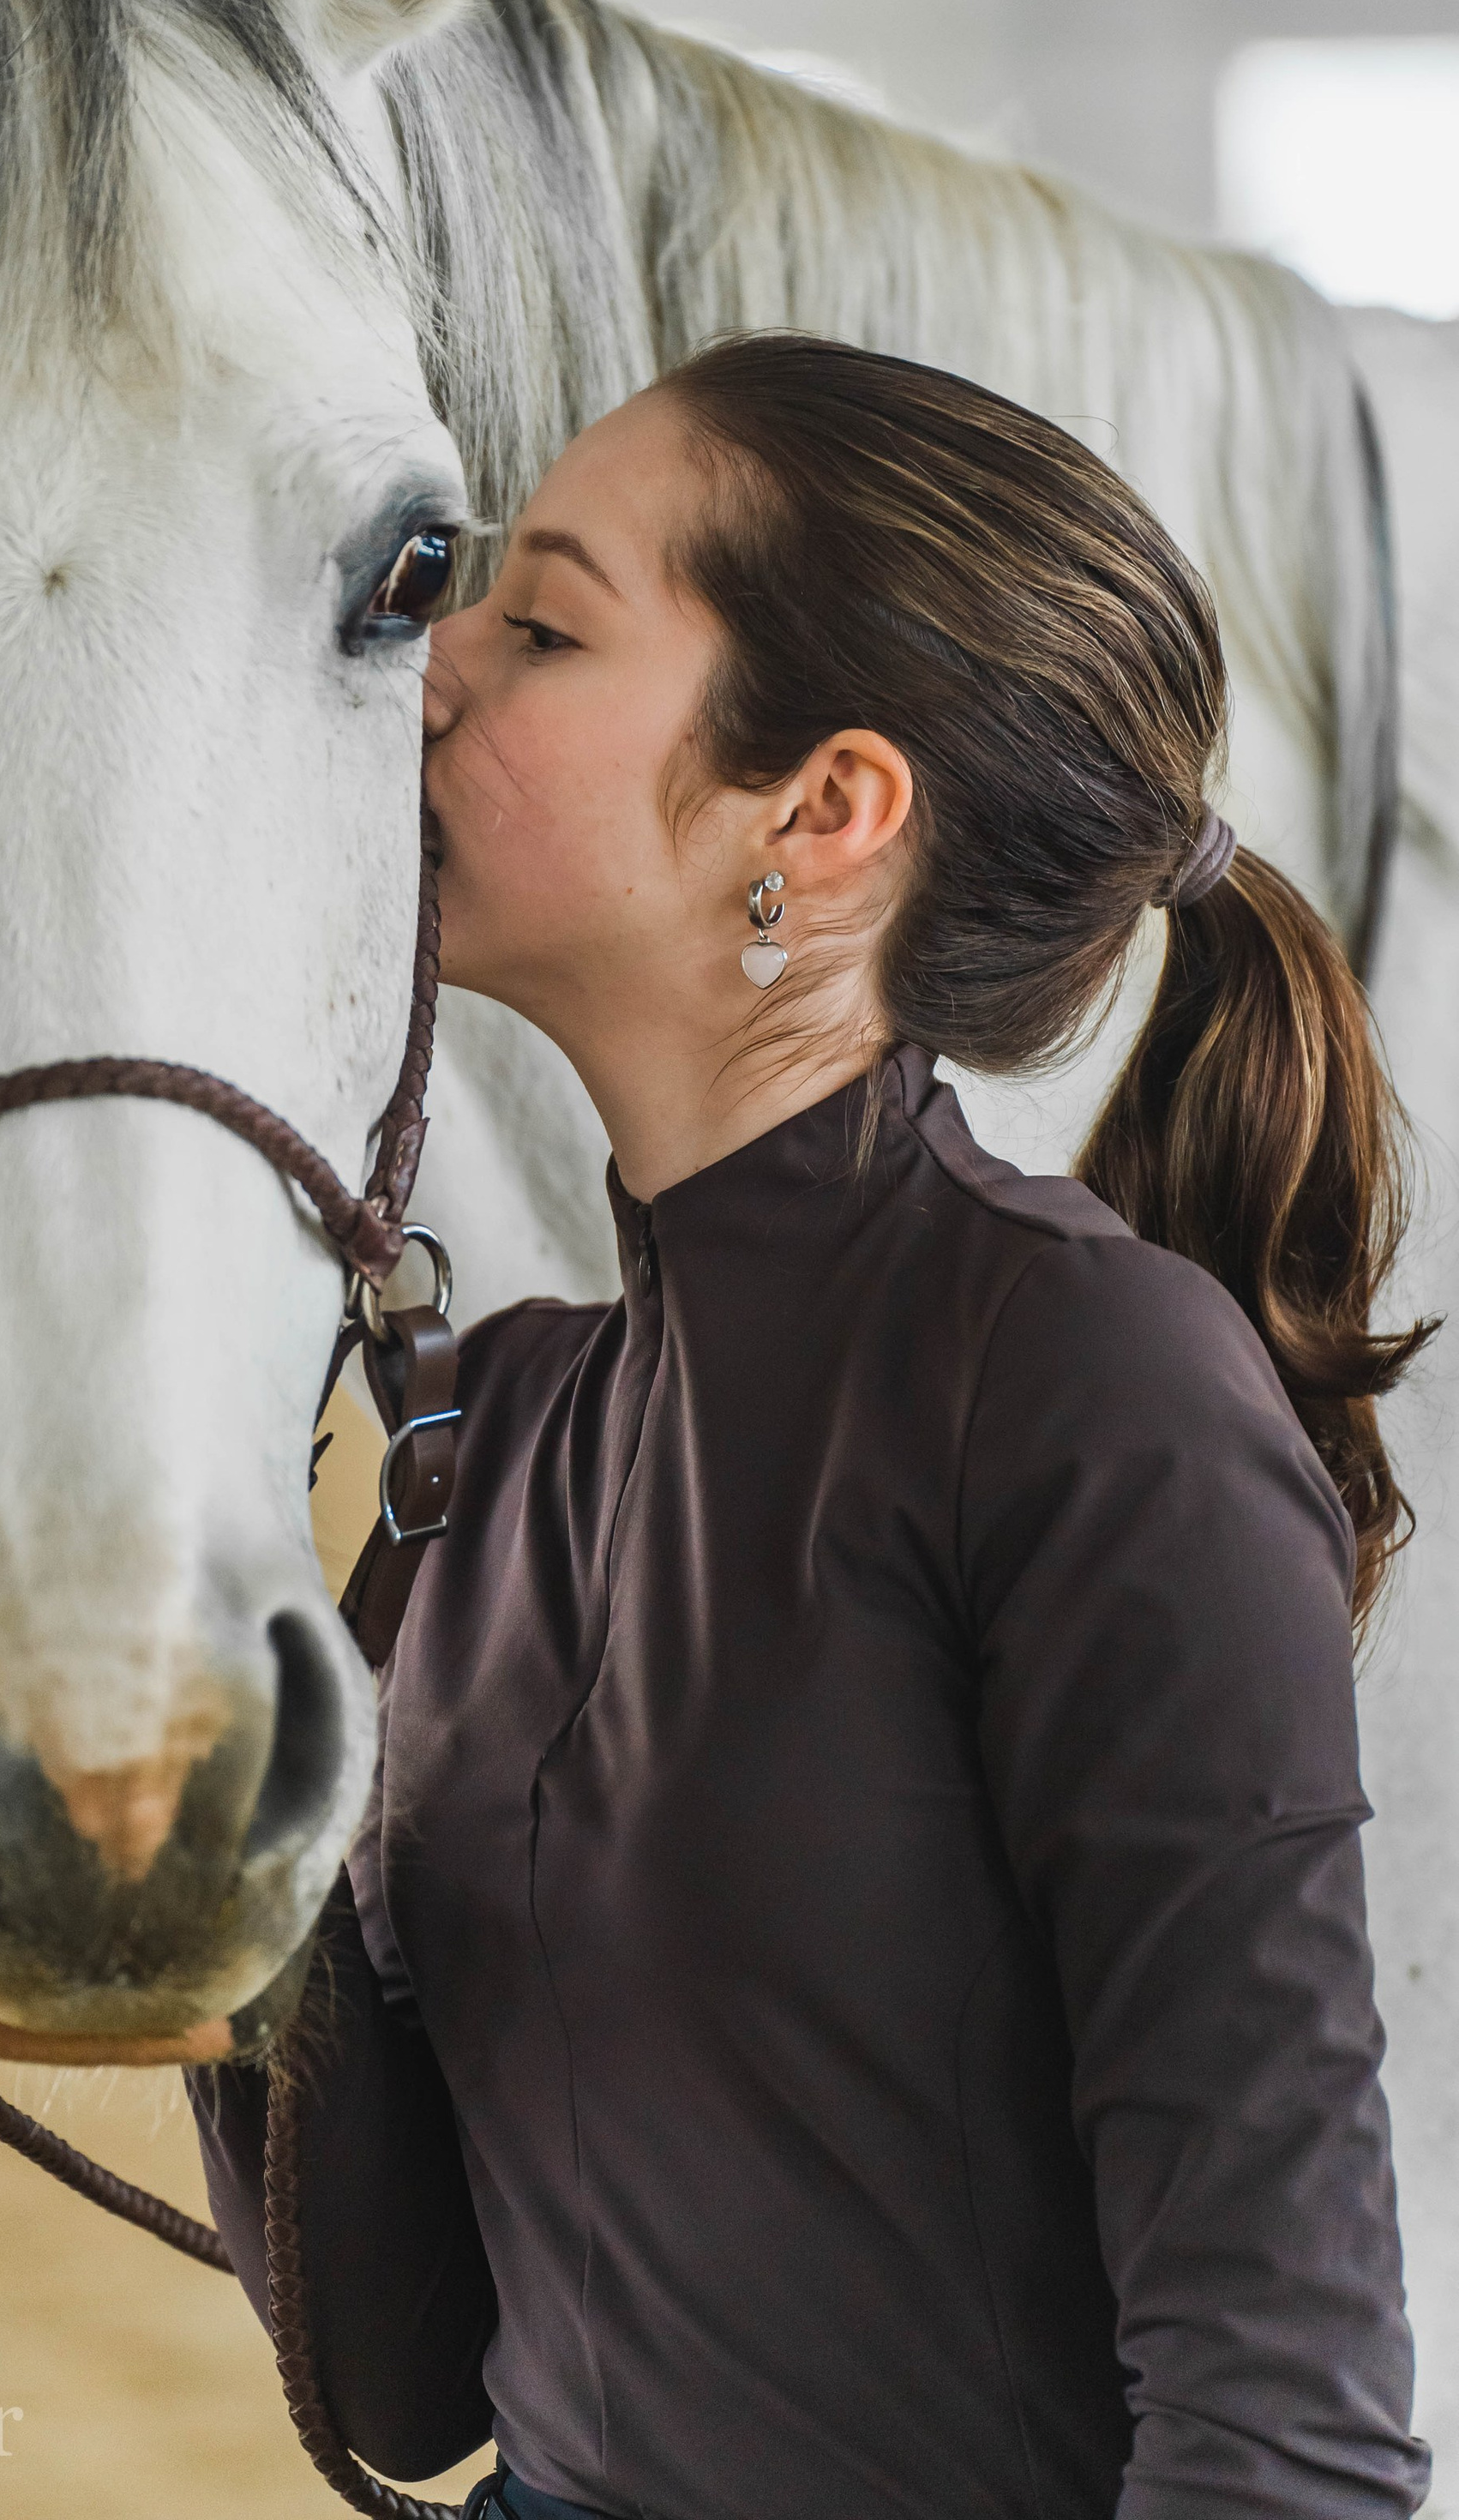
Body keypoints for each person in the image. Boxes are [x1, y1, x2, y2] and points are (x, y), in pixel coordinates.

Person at [189, 335, 1435, 2520]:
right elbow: (397, 2376)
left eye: (540, 621)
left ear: (823, 817)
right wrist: (226, 1848)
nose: (430, 664)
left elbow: (1281, 2421)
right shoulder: (498, 1429)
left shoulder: (1091, 1396)